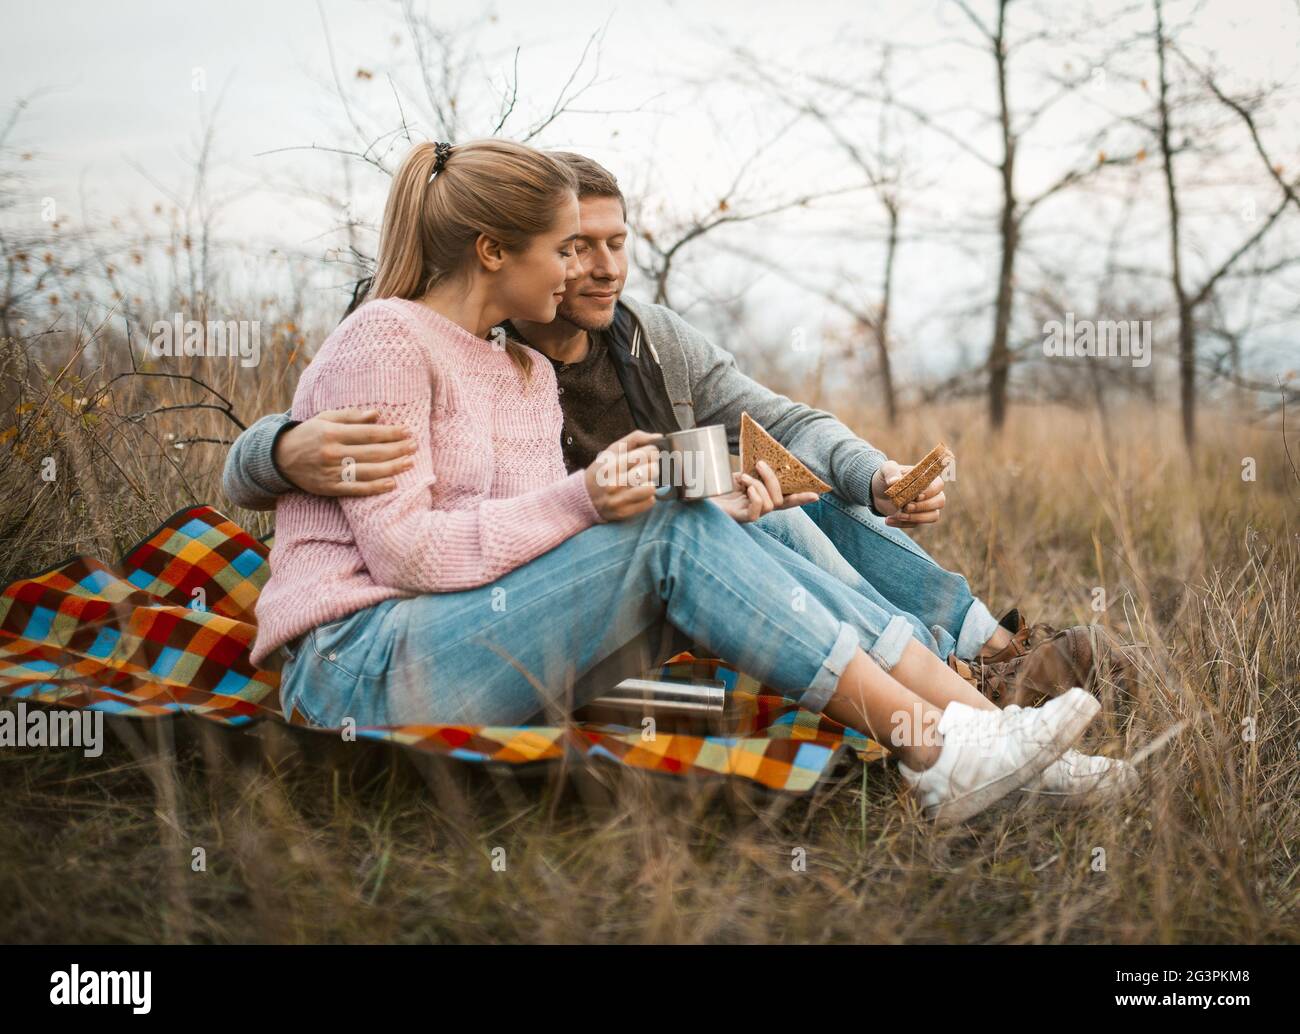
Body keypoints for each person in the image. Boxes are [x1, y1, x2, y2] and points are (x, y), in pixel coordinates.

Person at [248, 138, 1136, 825]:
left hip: (473, 638)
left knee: (725, 520)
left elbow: (532, 537)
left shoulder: (518, 371)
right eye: (564, 249)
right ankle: (938, 746)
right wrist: (595, 499)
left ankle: (984, 738)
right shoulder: (386, 341)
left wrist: (708, 512)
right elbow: (405, 554)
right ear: (492, 251)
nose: (581, 272)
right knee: (673, 532)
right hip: (358, 667)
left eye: (599, 246)